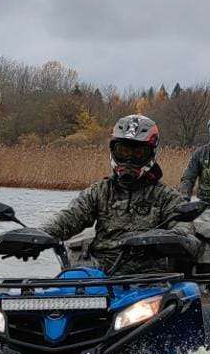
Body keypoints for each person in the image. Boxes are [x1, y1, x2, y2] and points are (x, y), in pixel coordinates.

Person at [42, 114, 182, 273]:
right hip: (100, 274)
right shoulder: (100, 191)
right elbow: (69, 217)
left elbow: (185, 233)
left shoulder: (167, 197)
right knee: (65, 286)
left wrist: (158, 240)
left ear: (151, 155)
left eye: (138, 154)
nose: (129, 160)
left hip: (149, 277)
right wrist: (38, 236)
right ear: (113, 151)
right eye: (123, 151)